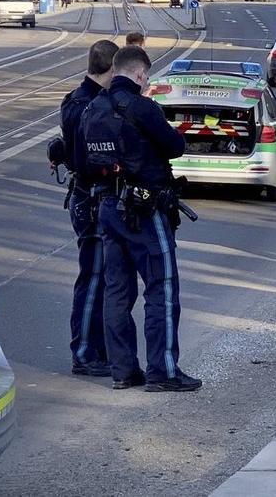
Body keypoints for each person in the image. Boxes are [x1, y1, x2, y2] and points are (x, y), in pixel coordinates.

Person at [80, 46, 201, 392]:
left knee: (116, 291)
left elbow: (82, 159)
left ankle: (123, 371)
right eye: (145, 76)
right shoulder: (142, 107)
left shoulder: (93, 108)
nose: (146, 82)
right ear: (138, 74)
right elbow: (174, 146)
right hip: (145, 211)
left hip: (107, 209)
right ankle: (163, 371)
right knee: (161, 288)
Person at [57, 39, 120, 378]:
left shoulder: (74, 100)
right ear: (111, 69)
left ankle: (96, 348)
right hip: (92, 197)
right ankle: (84, 351)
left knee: (101, 277)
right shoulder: (92, 105)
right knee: (94, 277)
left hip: (84, 195)